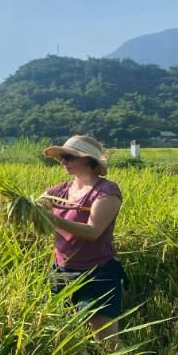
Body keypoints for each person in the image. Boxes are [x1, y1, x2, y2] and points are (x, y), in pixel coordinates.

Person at [42, 135, 125, 340]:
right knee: (64, 335)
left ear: (88, 160)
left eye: (69, 157)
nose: (64, 162)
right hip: (60, 271)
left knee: (105, 340)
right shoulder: (59, 190)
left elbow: (93, 231)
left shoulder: (106, 191)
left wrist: (52, 219)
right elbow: (38, 206)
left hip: (96, 273)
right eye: (62, 158)